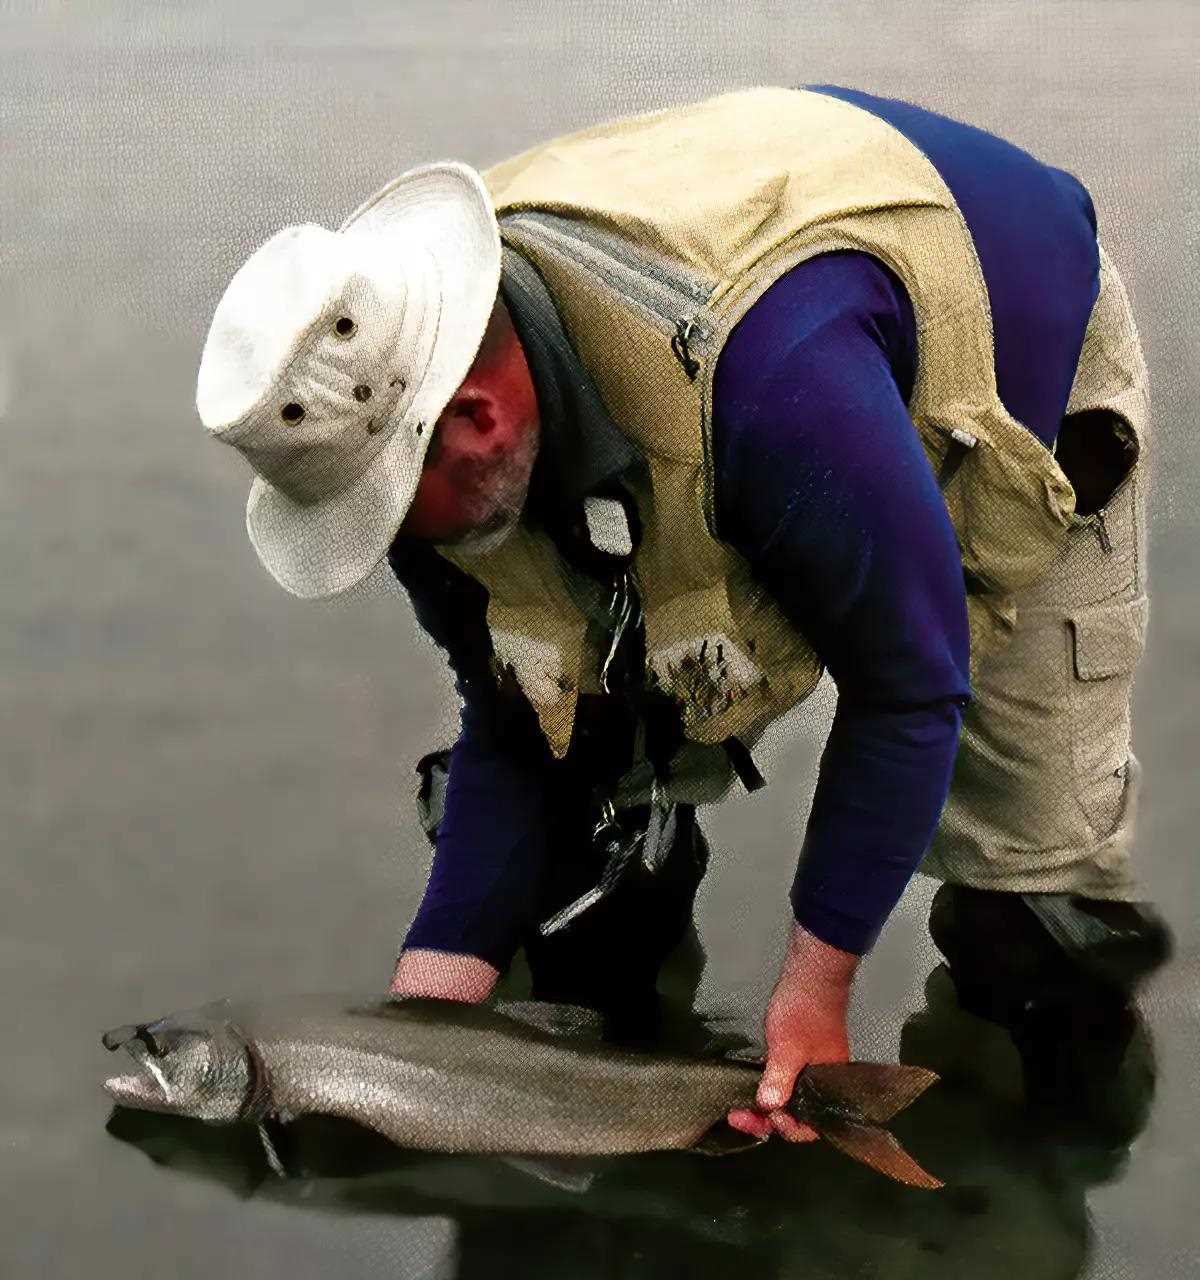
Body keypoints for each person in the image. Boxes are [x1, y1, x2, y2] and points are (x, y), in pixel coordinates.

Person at [195, 84, 1171, 1145]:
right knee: (583, 859)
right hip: (726, 406)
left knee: (1033, 931)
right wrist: (423, 1019)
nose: (384, 542)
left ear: (472, 420)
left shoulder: (776, 387)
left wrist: (815, 993)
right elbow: (514, 721)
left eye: (380, 507)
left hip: (988, 353)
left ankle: (1042, 1171)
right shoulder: (402, 421)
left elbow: (911, 686)